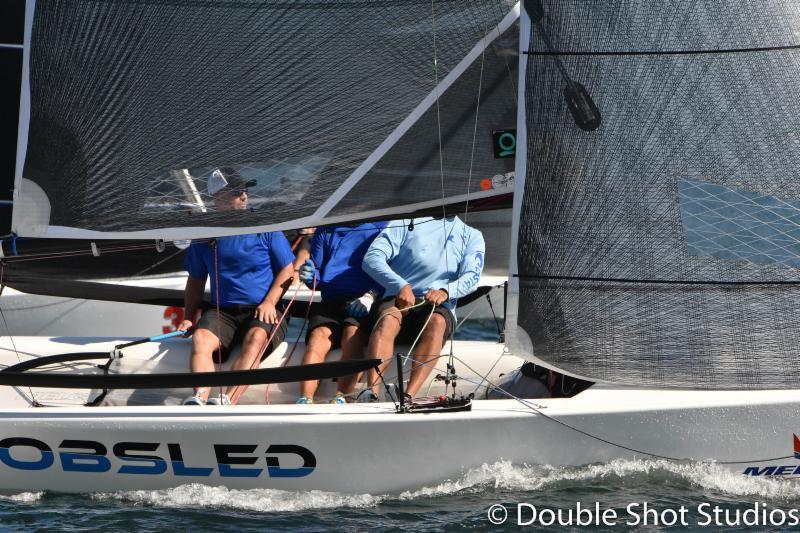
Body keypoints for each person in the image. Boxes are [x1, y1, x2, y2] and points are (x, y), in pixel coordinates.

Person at [179, 167, 296, 405]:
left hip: (262, 310)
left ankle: (226, 401)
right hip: (224, 312)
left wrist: (269, 302)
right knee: (200, 338)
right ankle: (199, 398)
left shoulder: (264, 226)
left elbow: (288, 271)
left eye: (244, 190)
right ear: (218, 199)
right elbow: (196, 281)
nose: (243, 195)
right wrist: (189, 317)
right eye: (235, 192)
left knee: (255, 338)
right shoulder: (204, 235)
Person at [361, 216, 485, 400]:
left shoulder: (472, 235)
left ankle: (408, 395)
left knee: (437, 321)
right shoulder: (404, 222)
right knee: (389, 318)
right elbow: (371, 259)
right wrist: (400, 285)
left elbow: (473, 276)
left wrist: (445, 291)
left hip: (437, 305)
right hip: (398, 298)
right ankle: (371, 391)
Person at [295, 221, 387, 404]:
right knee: (318, 336)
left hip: (363, 300)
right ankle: (305, 398)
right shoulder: (325, 229)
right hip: (331, 299)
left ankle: (341, 396)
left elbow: (389, 265)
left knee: (352, 334)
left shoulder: (383, 227)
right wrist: (310, 276)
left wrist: (371, 295)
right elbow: (318, 274)